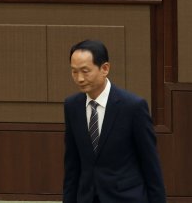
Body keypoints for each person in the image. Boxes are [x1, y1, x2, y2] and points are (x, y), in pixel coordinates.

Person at [63, 40, 166, 203]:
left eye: (85, 71)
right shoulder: (72, 106)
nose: (79, 78)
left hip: (126, 197)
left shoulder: (133, 107)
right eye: (74, 72)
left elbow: (150, 163)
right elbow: (72, 164)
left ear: (105, 69)